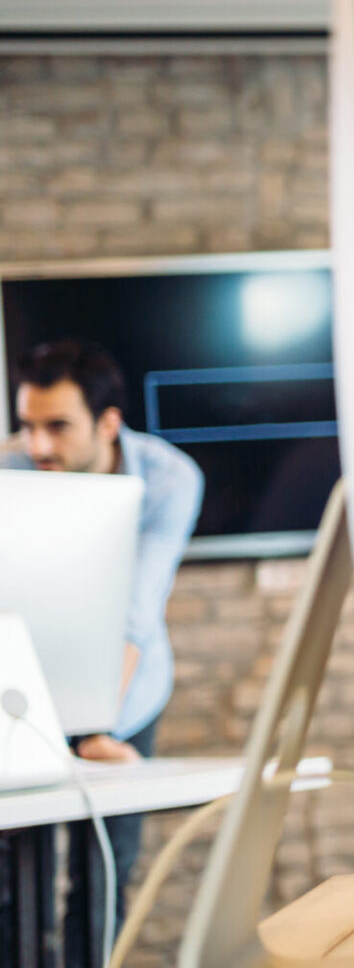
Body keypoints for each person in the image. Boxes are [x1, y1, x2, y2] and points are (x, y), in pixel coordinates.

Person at [6, 339, 204, 903]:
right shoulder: (10, 465)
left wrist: (97, 726)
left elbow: (136, 611)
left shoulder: (169, 478)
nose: (38, 445)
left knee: (104, 876)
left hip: (126, 690)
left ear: (109, 422)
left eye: (58, 426)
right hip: (27, 697)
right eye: (28, 425)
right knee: (17, 878)